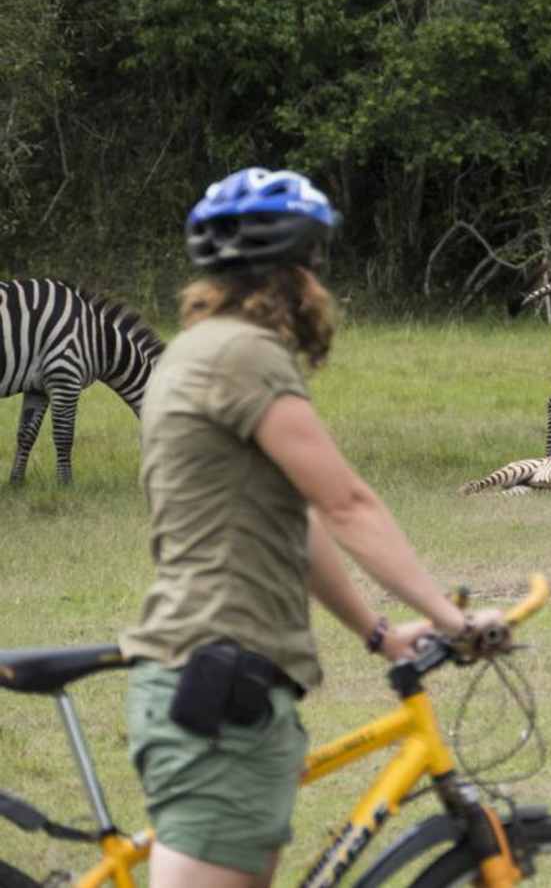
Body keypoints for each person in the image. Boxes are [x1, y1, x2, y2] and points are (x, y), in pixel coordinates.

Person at [119, 167, 504, 888]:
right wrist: (452, 618)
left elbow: (293, 520)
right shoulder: (243, 356)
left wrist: (380, 633)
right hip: (220, 685)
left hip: (223, 681)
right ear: (295, 274)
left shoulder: (198, 350)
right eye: (317, 263)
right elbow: (346, 503)